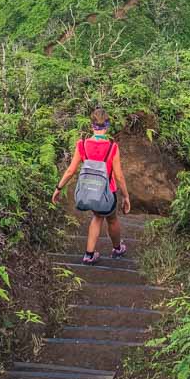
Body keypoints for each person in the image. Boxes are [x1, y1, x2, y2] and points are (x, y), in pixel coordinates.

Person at [51, 107, 131, 264]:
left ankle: (89, 254)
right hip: (108, 192)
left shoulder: (82, 145)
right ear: (107, 126)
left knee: (97, 216)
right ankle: (116, 249)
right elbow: (119, 176)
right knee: (112, 219)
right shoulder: (112, 147)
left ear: (91, 125)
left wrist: (58, 188)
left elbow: (70, 171)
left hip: (89, 191)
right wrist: (126, 196)